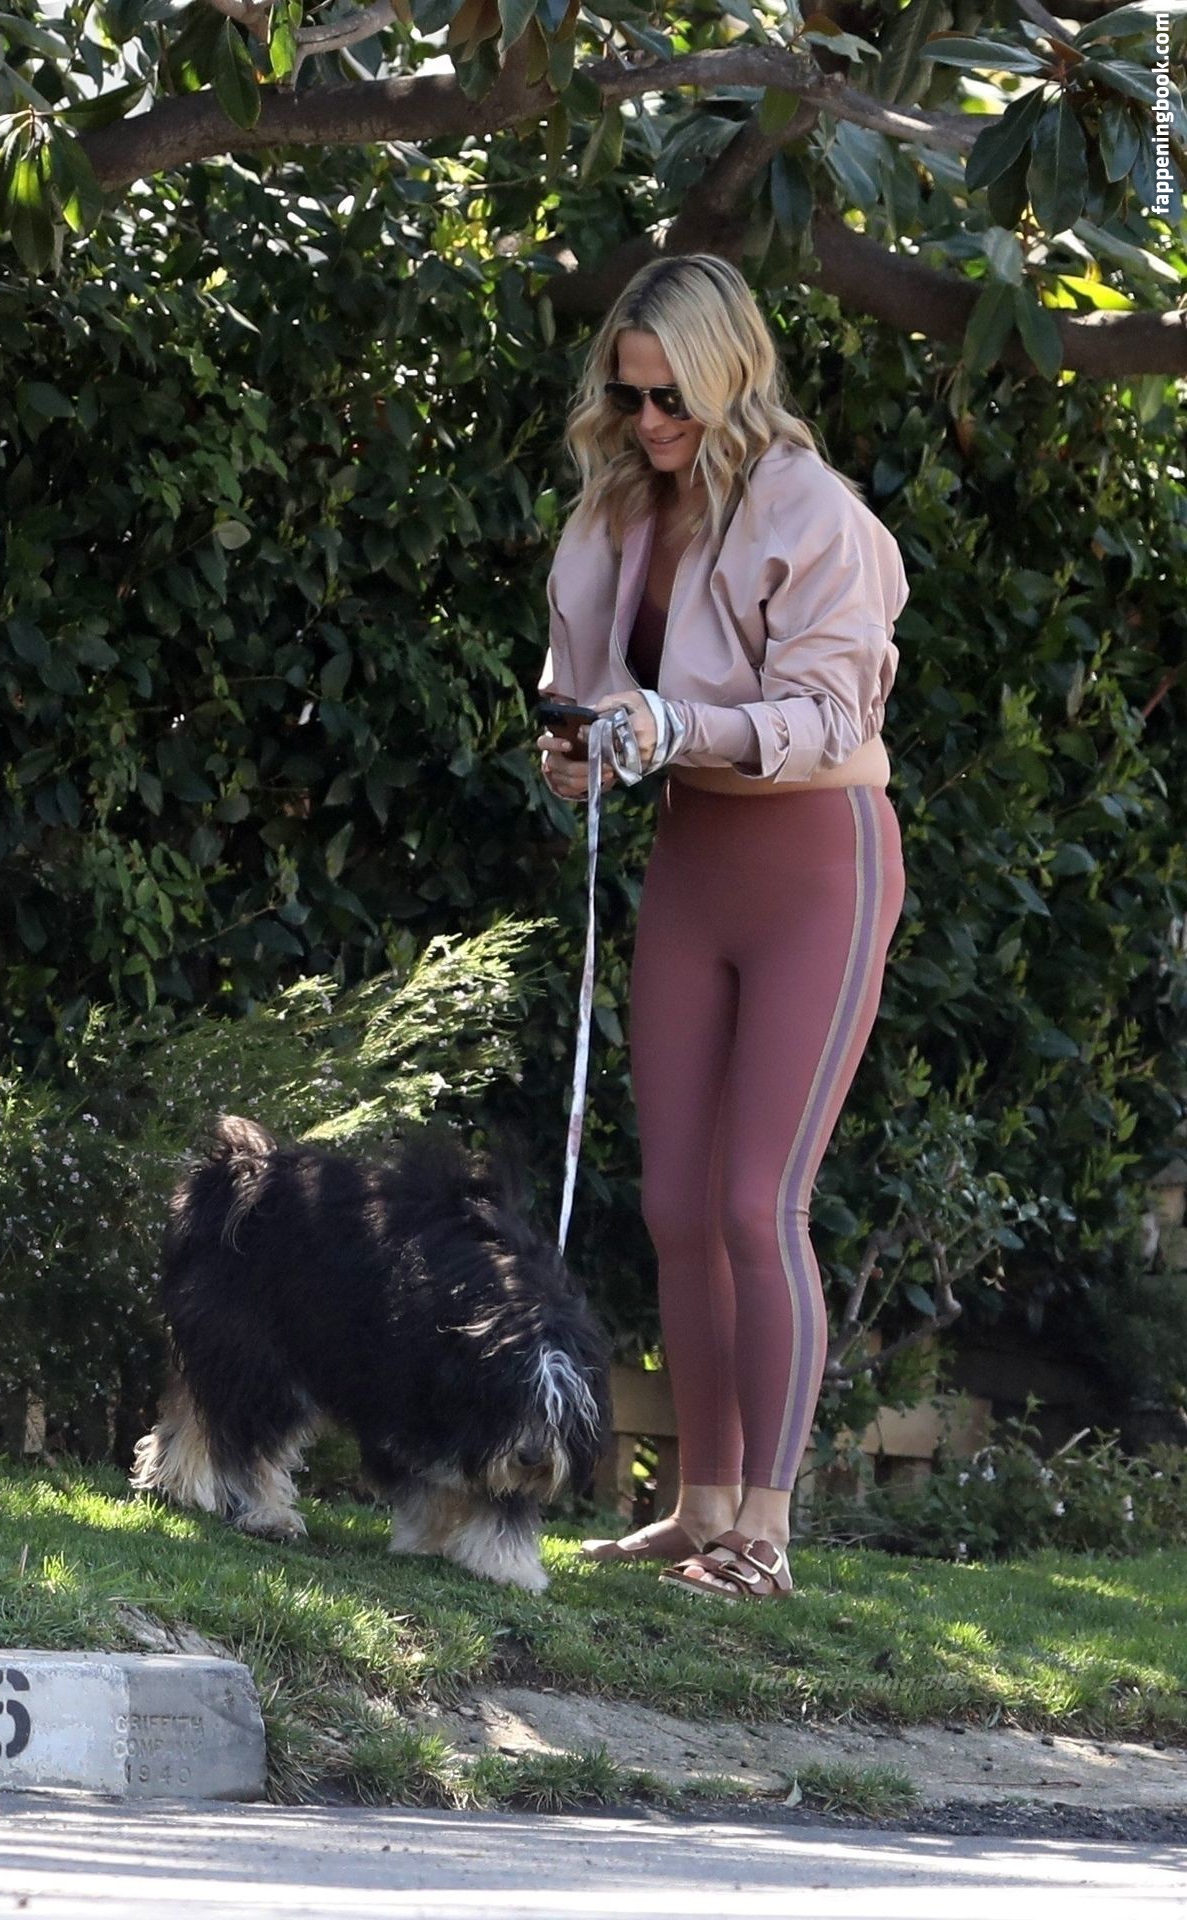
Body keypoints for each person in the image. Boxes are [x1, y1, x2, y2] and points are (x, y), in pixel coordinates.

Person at [535, 253, 909, 1605]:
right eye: (630, 396)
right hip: (695, 856)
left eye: (672, 398)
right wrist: (577, 750)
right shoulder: (620, 506)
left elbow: (829, 717)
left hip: (818, 863)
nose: (648, 422)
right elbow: (587, 685)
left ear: (731, 376)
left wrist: (676, 723)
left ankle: (767, 1530)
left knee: (760, 1202)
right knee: (679, 1206)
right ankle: (696, 1508)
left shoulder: (816, 513)